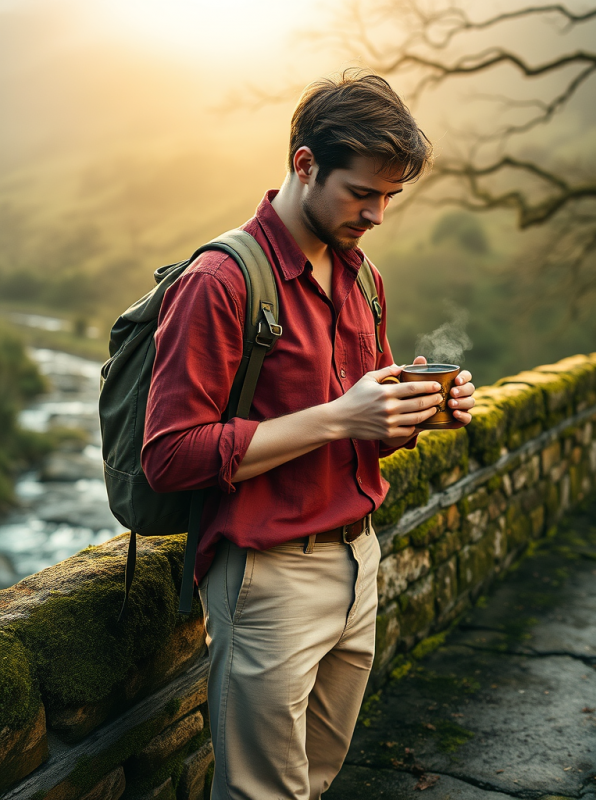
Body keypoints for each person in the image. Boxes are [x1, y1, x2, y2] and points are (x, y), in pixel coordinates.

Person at [141, 71, 476, 799]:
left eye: (390, 196)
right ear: (304, 165)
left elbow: (368, 427)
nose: (378, 214)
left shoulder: (364, 278)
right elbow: (168, 456)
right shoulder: (221, 282)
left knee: (315, 781)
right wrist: (340, 416)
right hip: (268, 578)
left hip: (360, 560)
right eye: (363, 192)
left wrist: (421, 408)